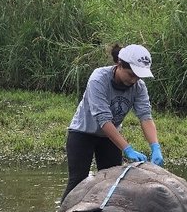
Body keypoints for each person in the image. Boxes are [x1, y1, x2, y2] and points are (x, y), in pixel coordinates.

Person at [62, 43, 163, 201]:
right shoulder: (99, 79)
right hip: (82, 133)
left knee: (112, 183)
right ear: (119, 65)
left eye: (138, 76)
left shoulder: (139, 86)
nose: (134, 80)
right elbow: (103, 119)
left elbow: (145, 117)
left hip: (110, 138)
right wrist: (127, 149)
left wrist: (155, 146)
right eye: (131, 74)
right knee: (78, 181)